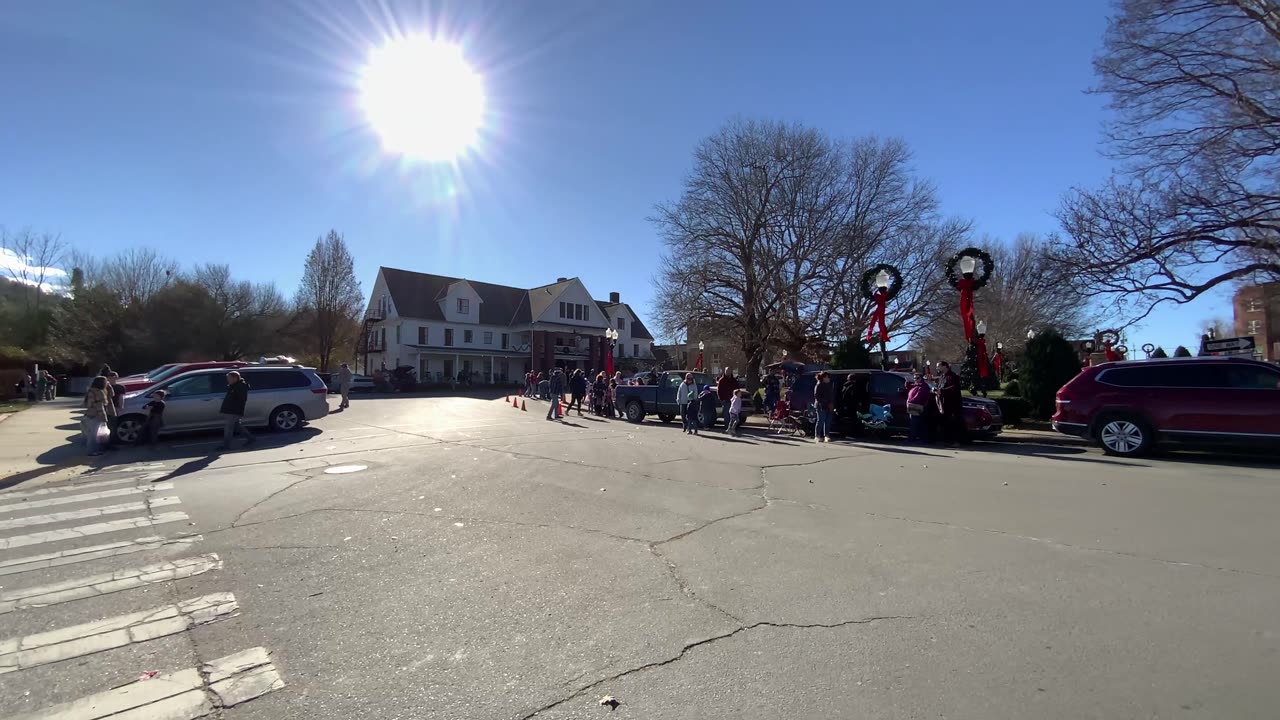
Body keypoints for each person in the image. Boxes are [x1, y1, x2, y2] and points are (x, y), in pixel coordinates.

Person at [219, 370, 255, 450]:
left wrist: (234, 409)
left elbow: (241, 400)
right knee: (237, 426)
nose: (228, 380)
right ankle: (251, 438)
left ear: (235, 378)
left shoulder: (240, 387)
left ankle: (226, 445)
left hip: (234, 411)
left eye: (229, 378)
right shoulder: (233, 386)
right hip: (231, 410)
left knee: (228, 428)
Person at [936, 361, 967, 446]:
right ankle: (948, 440)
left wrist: (942, 391)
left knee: (955, 422)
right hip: (944, 403)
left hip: (953, 404)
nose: (937, 368)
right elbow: (940, 387)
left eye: (938, 366)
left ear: (945, 366)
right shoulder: (942, 376)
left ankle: (958, 441)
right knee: (946, 422)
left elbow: (954, 388)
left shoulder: (953, 376)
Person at [81, 375, 113, 456]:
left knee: (92, 434)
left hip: (89, 414)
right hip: (95, 415)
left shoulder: (90, 391)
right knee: (93, 435)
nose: (107, 383)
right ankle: (91, 451)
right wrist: (104, 417)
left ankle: (93, 450)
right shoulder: (99, 392)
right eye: (106, 382)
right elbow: (99, 406)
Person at [102, 372, 126, 450]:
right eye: (111, 377)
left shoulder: (120, 387)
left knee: (113, 426)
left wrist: (120, 406)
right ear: (108, 378)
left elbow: (121, 397)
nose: (113, 379)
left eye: (114, 377)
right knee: (107, 426)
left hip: (114, 408)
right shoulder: (104, 387)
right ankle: (106, 442)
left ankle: (111, 442)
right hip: (105, 408)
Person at [906, 373, 932, 443]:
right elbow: (909, 387)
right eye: (914, 378)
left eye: (917, 378)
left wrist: (910, 401)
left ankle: (912, 439)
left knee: (915, 423)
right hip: (913, 406)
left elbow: (919, 397)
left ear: (921, 379)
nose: (916, 380)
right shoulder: (916, 385)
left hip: (918, 407)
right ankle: (920, 439)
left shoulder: (923, 386)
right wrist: (907, 382)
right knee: (916, 423)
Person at [813, 370, 834, 443]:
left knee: (828, 421)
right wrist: (825, 402)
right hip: (821, 406)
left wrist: (831, 403)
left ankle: (826, 435)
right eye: (827, 377)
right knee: (821, 420)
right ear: (824, 378)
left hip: (828, 405)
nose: (829, 379)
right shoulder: (819, 385)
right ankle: (817, 435)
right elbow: (817, 396)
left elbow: (830, 395)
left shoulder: (828, 385)